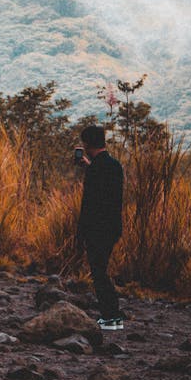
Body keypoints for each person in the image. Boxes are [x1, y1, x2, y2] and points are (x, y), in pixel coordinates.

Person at [76, 124, 124, 330]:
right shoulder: (114, 165)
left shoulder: (95, 169)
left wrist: (81, 232)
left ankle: (111, 316)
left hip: (97, 228)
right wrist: (89, 166)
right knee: (101, 268)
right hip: (112, 226)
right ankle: (112, 314)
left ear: (87, 144)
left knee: (98, 272)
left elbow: (89, 203)